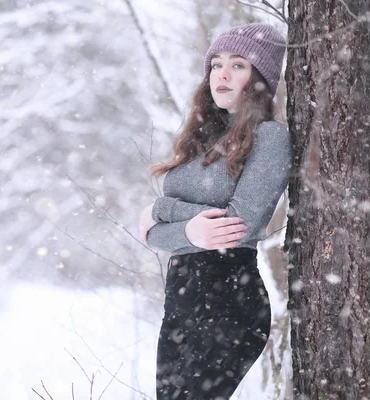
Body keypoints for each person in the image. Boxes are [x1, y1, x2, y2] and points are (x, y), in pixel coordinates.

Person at [139, 23, 291, 399]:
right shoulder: (201, 139)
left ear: (259, 79)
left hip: (228, 302)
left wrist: (160, 212)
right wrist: (186, 231)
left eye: (238, 65)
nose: (221, 74)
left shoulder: (270, 138)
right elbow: (154, 235)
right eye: (216, 64)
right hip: (182, 304)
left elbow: (234, 227)